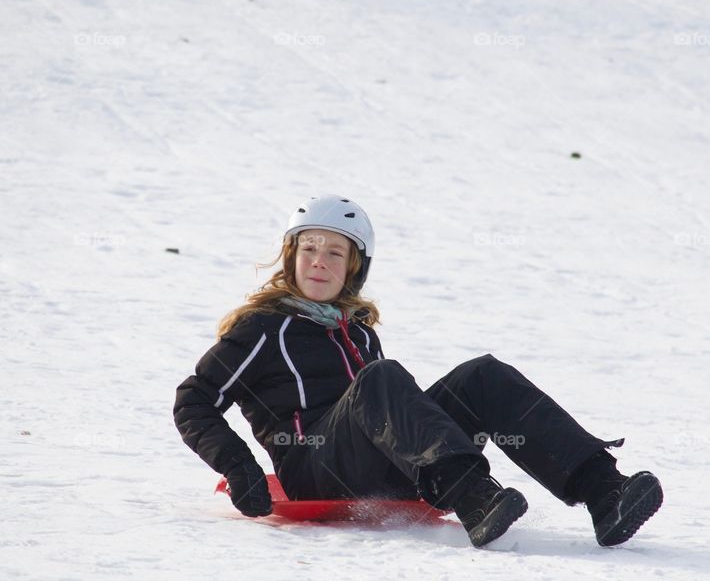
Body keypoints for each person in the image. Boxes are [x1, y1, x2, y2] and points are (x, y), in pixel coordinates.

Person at [173, 194, 663, 547]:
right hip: (312, 469)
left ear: (353, 267)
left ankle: (605, 492)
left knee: (482, 376)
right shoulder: (263, 328)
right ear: (291, 256)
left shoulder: (360, 331)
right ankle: (473, 498)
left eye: (334, 252)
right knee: (380, 380)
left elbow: (386, 414)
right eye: (309, 249)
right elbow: (194, 399)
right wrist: (239, 468)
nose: (319, 262)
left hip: (382, 467)